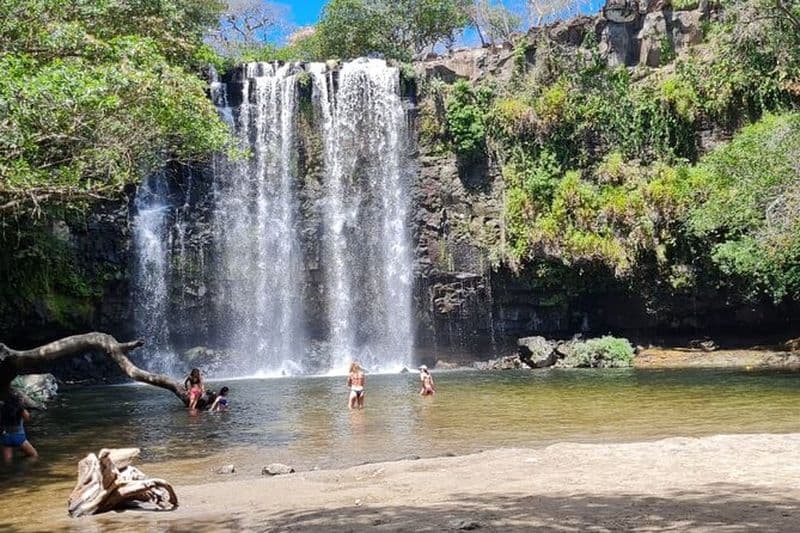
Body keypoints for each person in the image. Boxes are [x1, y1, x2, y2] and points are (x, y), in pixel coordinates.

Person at [1, 391, 38, 462]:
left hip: (5, 438)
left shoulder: (3, 409)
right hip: (19, 437)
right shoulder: (20, 409)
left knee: (8, 461)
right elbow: (27, 418)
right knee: (34, 455)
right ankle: (23, 468)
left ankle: (9, 471)